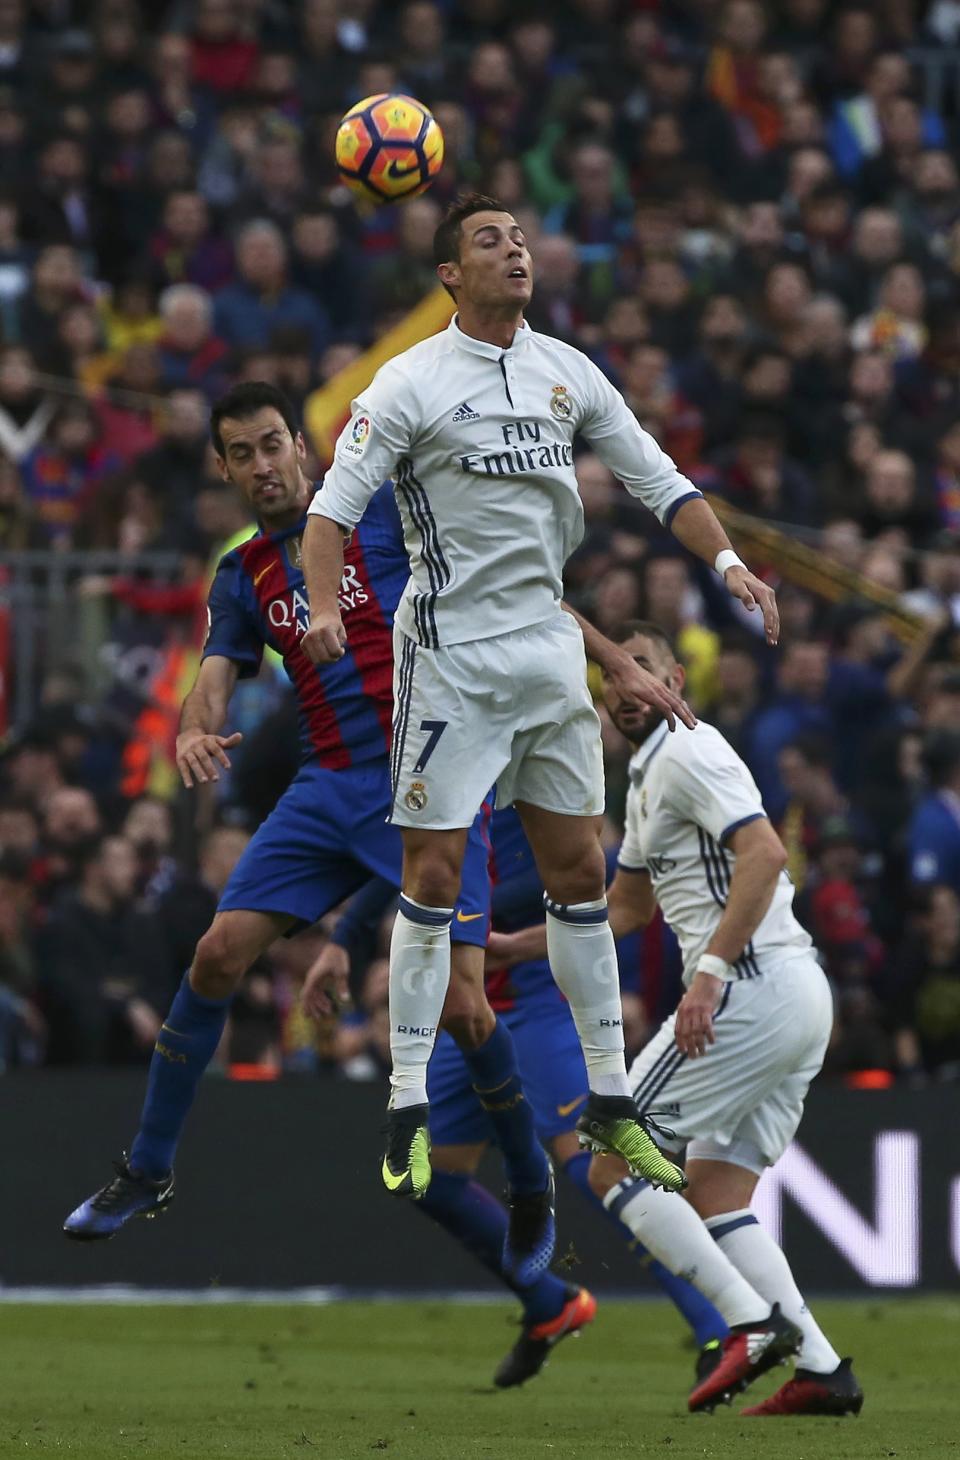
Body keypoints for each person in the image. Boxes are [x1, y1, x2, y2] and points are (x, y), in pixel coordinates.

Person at [300, 191, 778, 1204]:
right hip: (453, 656)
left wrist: (728, 560)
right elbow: (330, 510)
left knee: (577, 868)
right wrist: (325, 606)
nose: (514, 250)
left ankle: (611, 1099)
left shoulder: (567, 370)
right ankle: (403, 1106)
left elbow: (660, 478)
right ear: (449, 275)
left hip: (549, 654)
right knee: (432, 877)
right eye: (489, 240)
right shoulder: (410, 382)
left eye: (519, 238)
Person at [62, 383, 553, 1283]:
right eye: (240, 454)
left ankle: (529, 1178)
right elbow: (215, 672)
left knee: (463, 1005)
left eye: (271, 445)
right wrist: (192, 725)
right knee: (215, 954)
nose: (261, 467)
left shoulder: (381, 515)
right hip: (326, 784)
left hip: (430, 775)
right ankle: (149, 1167)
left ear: (305, 446)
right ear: (222, 469)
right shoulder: (241, 573)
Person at [493, 621, 862, 1417]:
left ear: (676, 682)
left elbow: (765, 854)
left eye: (638, 671)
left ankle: (751, 1324)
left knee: (608, 1157)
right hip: (789, 992)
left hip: (750, 988)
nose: (622, 689)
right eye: (610, 681)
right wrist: (511, 945)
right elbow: (622, 908)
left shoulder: (690, 749)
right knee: (715, 1193)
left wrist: (709, 976)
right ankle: (823, 1370)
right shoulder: (647, 776)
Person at [304, 803, 729, 1389]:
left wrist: (466, 906)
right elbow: (405, 865)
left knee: (590, 1165)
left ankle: (718, 1324)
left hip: (539, 1001)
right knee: (433, 1175)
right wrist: (345, 941)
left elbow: (580, 870)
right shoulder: (447, 775)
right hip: (472, 1014)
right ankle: (548, 1302)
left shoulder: (528, 773)